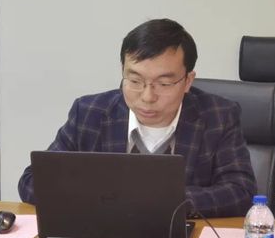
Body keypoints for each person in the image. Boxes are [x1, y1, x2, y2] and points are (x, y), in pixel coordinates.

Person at [18, 18, 256, 217]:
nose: (147, 96)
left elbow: (241, 192)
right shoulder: (89, 113)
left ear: (187, 81)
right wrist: (102, 198)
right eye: (135, 80)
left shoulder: (218, 116)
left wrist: (161, 200)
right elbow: (32, 181)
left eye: (164, 83)